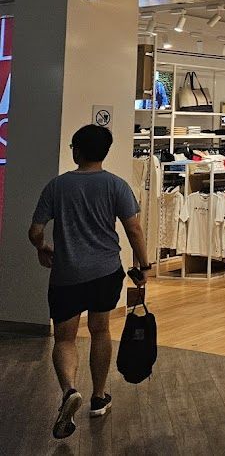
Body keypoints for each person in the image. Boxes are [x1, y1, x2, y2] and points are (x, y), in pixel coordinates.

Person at [28, 125, 149, 439]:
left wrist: (42, 248)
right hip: (106, 271)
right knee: (100, 329)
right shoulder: (117, 185)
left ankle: (69, 390)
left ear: (76, 151)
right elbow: (134, 229)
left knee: (65, 338)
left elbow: (35, 231)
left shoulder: (57, 187)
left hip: (67, 274)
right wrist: (143, 264)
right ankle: (98, 397)